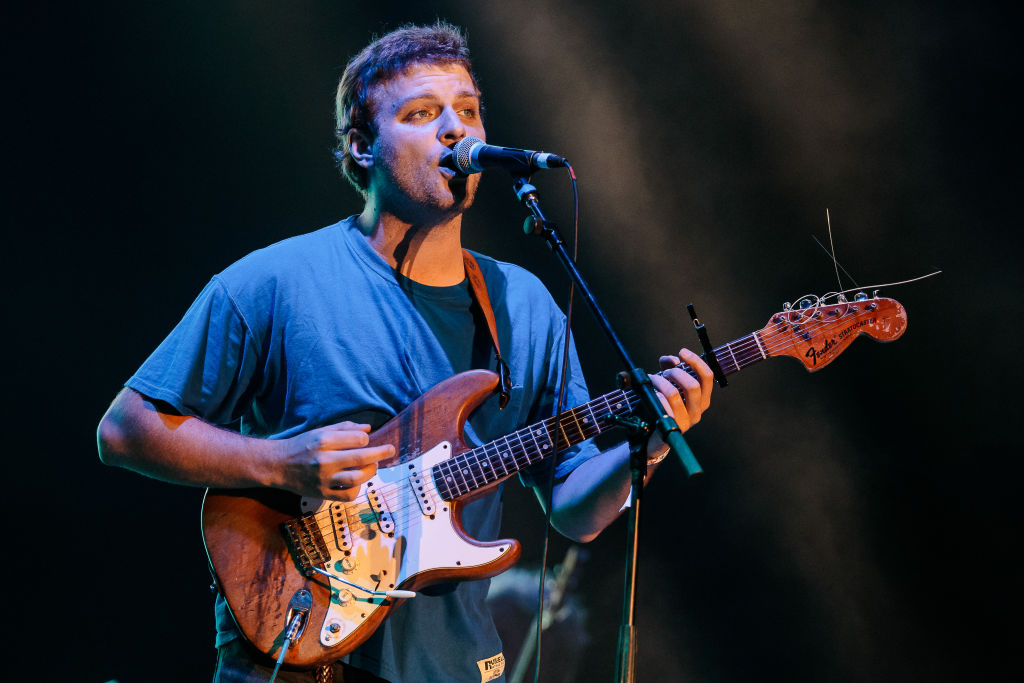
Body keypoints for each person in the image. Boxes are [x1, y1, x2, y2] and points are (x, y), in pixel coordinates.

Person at [96, 21, 713, 683]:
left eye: (469, 110)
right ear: (362, 148)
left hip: (452, 663)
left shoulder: (525, 304)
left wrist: (642, 447)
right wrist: (280, 462)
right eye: (423, 113)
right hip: (295, 649)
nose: (456, 129)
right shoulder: (275, 282)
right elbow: (125, 429)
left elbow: (576, 510)